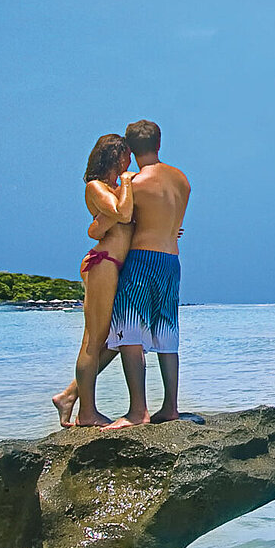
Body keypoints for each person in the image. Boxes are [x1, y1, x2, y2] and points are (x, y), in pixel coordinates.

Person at [103, 119, 192, 428]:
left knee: (130, 332)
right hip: (171, 261)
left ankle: (137, 411)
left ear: (129, 149)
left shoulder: (135, 183)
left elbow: (119, 217)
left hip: (142, 258)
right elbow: (172, 221)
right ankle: (171, 407)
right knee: (167, 335)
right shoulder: (182, 180)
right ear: (159, 143)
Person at [51, 134, 133, 427]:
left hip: (115, 266)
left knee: (117, 338)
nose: (131, 160)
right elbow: (121, 213)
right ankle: (87, 413)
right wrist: (126, 182)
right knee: (94, 339)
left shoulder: (116, 189)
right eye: (127, 155)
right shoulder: (96, 187)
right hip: (102, 265)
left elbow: (119, 221)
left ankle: (69, 396)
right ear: (115, 156)